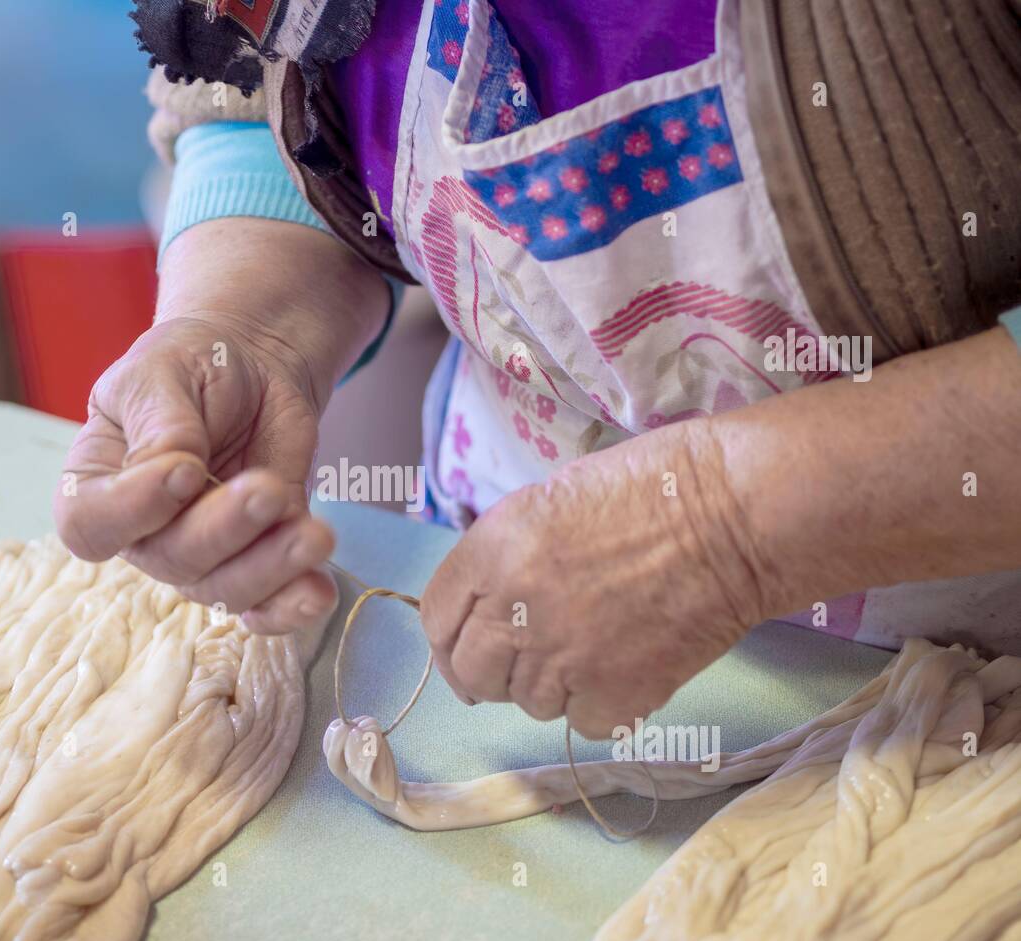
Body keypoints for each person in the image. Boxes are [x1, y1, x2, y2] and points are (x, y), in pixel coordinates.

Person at [55, 0, 1021, 738]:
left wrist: (726, 526)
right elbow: (257, 98)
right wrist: (240, 322)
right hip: (525, 661)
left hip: (976, 688)